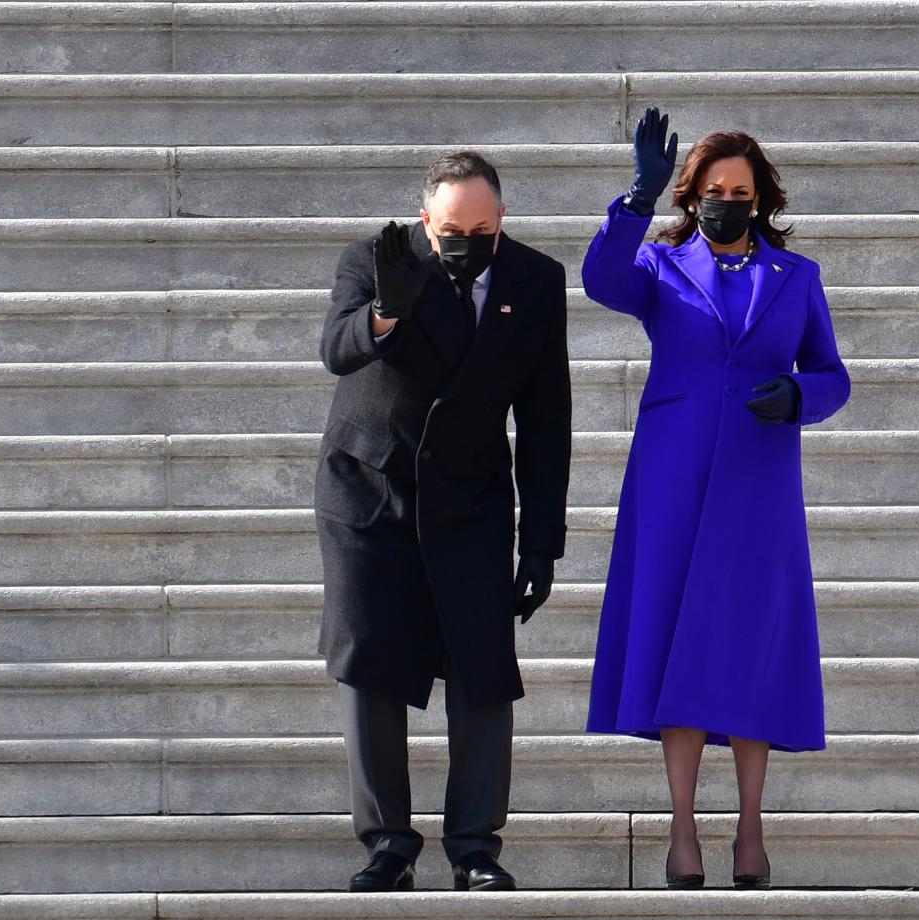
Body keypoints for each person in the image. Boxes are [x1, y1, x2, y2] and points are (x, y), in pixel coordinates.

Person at [583, 109, 851, 890]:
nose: (726, 200)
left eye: (740, 189)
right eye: (712, 189)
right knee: (676, 640)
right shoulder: (662, 268)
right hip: (670, 478)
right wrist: (634, 199)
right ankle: (682, 826)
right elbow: (601, 280)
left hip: (758, 482)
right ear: (691, 195)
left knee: (748, 647)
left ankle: (751, 826)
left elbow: (834, 373)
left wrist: (798, 396)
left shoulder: (795, 277)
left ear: (761, 198)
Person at [314, 151, 571, 893]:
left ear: (503, 220)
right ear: (427, 221)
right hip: (369, 492)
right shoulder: (373, 260)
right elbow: (335, 350)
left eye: (483, 228)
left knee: (484, 670)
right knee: (367, 662)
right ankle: (388, 846)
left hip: (471, 499)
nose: (468, 242)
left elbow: (546, 417)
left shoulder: (534, 279)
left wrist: (542, 540)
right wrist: (386, 312)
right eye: (453, 229)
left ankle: (474, 848)